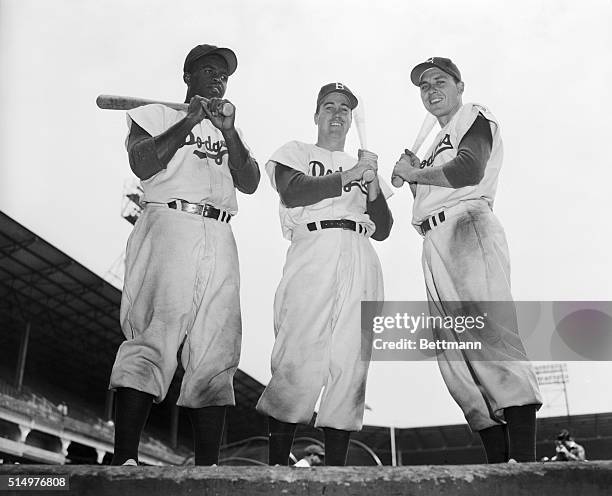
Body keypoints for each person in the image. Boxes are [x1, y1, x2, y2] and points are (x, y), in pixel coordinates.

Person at [108, 44, 260, 466]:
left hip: (221, 230)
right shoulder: (157, 113)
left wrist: (228, 130)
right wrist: (190, 119)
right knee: (153, 335)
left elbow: (250, 182)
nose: (219, 79)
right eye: (209, 71)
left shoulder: (230, 127)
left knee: (217, 347)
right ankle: (125, 461)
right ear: (188, 77)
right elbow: (142, 163)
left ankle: (208, 470)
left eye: (224, 75)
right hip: (169, 221)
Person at [392, 57, 542, 463]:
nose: (431, 89)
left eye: (440, 81)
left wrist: (414, 172)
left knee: (492, 340)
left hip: (467, 225)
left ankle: (525, 467)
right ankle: (499, 467)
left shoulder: (472, 115)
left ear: (460, 86)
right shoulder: (436, 140)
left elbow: (468, 169)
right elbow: (426, 197)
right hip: (434, 236)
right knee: (457, 359)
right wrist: (413, 175)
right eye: (423, 86)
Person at [256, 83, 393, 466]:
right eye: (329, 107)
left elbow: (382, 228)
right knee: (297, 353)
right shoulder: (297, 151)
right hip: (313, 247)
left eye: (344, 110)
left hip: (359, 251)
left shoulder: (361, 163)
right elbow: (292, 191)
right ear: (316, 115)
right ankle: (276, 465)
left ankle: (336, 471)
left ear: (351, 120)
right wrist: (350, 176)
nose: (336, 114)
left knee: (351, 361)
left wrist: (372, 188)